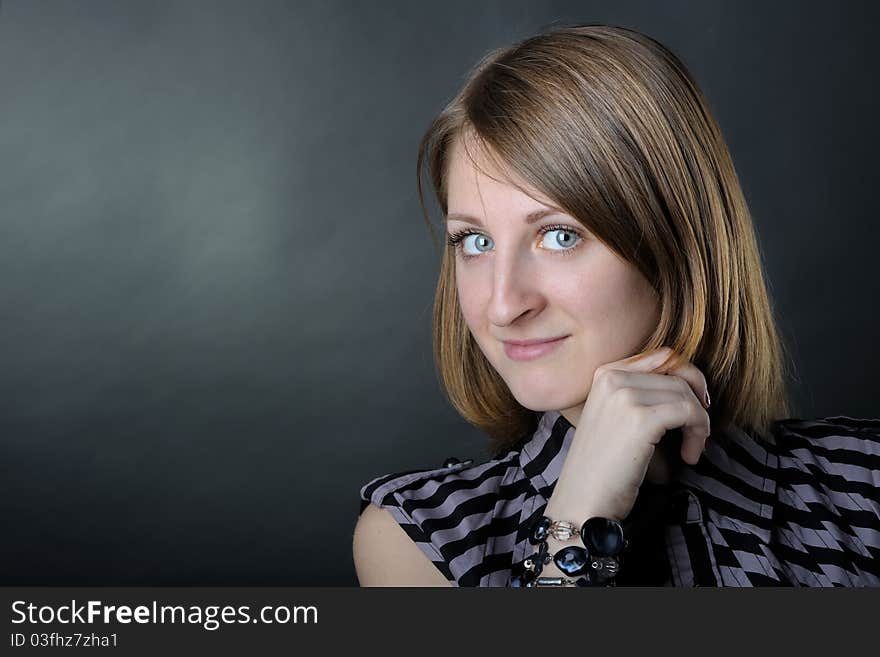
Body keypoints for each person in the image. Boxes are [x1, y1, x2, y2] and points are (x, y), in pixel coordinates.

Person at [351, 24, 880, 587]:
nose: (503, 306)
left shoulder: (865, 484)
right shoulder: (423, 539)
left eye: (559, 235)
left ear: (675, 243)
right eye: (475, 242)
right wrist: (576, 524)